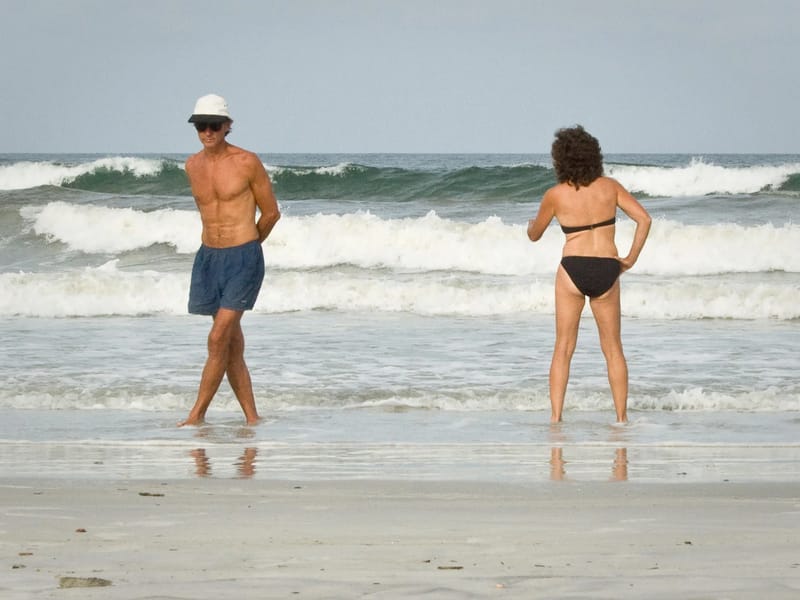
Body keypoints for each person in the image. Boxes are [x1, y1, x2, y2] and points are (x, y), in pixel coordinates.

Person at [527, 125, 651, 423]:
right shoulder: (610, 187)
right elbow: (644, 219)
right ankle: (621, 419)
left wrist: (530, 224)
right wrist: (630, 259)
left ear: (560, 160)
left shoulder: (555, 195)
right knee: (612, 349)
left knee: (564, 347)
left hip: (572, 270)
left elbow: (535, 235)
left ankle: (556, 419)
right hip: (607, 267)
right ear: (594, 155)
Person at [179, 94, 281, 426]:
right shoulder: (192, 166)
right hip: (208, 258)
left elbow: (270, 213)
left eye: (213, 126)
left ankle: (196, 416)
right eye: (200, 126)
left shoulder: (247, 162)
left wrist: (248, 247)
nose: (206, 132)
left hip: (243, 257)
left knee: (217, 338)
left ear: (227, 127)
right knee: (230, 343)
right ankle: (253, 418)